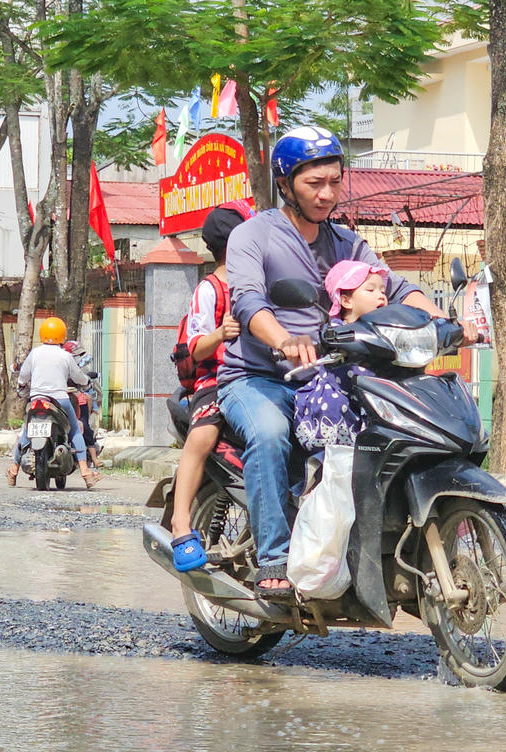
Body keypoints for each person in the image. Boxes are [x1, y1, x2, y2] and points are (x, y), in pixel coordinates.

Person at [218, 125, 487, 599]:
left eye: (334, 182)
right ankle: (274, 558)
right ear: (285, 184)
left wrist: (446, 321)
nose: (326, 194)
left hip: (332, 374)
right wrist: (283, 339)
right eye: (313, 183)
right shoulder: (252, 235)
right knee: (270, 433)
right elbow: (247, 301)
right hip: (260, 376)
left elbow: (398, 288)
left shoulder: (347, 242)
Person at [167, 203, 250, 572]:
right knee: (202, 435)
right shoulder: (209, 289)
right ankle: (181, 524)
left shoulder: (259, 283)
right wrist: (220, 334)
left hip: (259, 376)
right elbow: (196, 348)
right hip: (216, 378)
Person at [292, 260, 388, 451]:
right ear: (346, 301)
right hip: (344, 405)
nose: (381, 296)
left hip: (377, 398)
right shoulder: (337, 331)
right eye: (371, 290)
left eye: (383, 291)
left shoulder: (385, 330)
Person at [6, 316, 101, 489]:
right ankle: (86, 473)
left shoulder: (35, 353)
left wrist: (21, 386)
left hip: (36, 399)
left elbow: (23, 376)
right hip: (60, 400)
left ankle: (13, 470)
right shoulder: (65, 356)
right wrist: (87, 382)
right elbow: (78, 377)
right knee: (75, 429)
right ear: (62, 335)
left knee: (27, 430)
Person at [63, 339, 103, 469]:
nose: (78, 358)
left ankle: (94, 458)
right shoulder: (60, 364)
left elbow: (85, 381)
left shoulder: (81, 368)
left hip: (76, 399)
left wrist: (85, 382)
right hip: (60, 398)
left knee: (84, 426)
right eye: (76, 355)